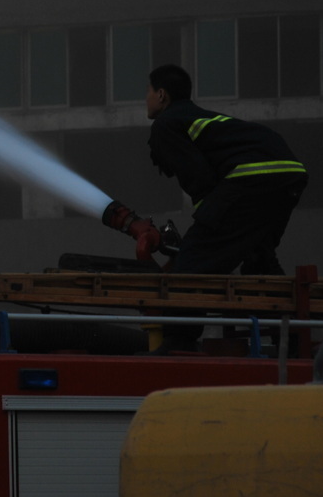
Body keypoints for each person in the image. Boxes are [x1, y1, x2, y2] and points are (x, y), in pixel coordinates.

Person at [103, 65, 308, 349]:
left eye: (148, 93)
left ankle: (178, 342)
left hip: (253, 175)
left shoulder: (167, 123)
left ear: (162, 95)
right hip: (289, 174)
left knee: (192, 264)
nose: (146, 100)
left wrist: (202, 230)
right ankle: (294, 337)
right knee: (257, 256)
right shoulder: (196, 117)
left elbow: (199, 179)